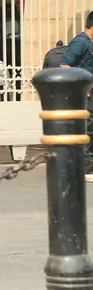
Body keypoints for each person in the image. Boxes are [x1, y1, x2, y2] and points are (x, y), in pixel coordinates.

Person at [60, 10, 93, 182]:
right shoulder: (80, 42)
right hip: (85, 93)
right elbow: (65, 65)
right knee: (86, 129)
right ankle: (84, 168)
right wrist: (80, 85)